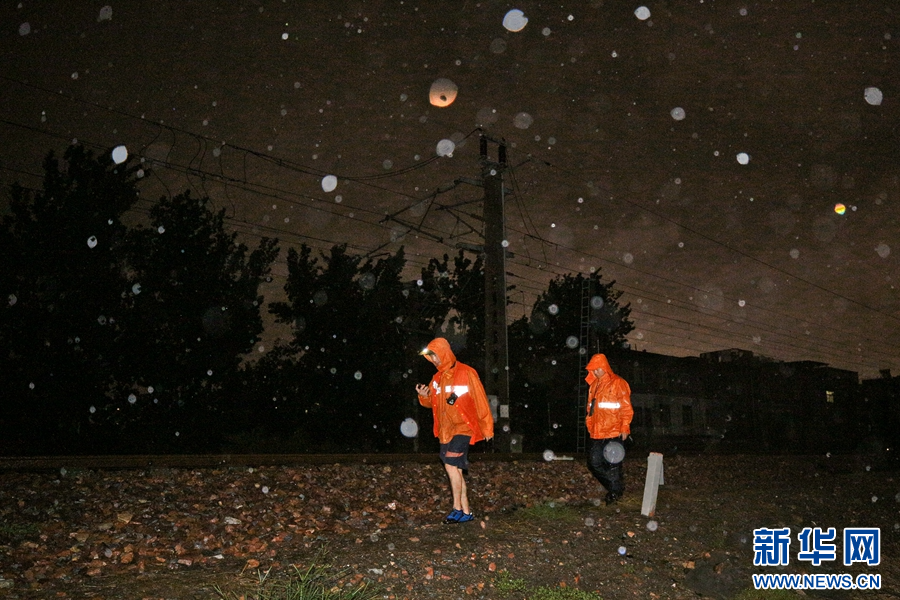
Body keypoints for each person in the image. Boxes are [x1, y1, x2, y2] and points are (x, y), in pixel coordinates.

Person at [416, 337, 494, 524]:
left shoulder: (467, 373)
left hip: (463, 428)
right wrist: (423, 397)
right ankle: (466, 512)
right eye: (431, 357)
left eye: (435, 356)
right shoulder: (436, 379)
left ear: (444, 353)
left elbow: (481, 400)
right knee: (456, 470)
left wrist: (487, 427)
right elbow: (434, 404)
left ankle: (456, 509)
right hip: (445, 431)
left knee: (451, 466)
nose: (434, 360)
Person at [584, 353, 634, 505]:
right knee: (594, 463)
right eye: (594, 369)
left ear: (605, 367)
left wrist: (625, 427)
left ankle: (614, 494)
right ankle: (616, 488)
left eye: (599, 368)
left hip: (614, 432)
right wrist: (590, 426)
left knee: (613, 465)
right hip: (598, 432)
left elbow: (626, 407)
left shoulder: (618, 383)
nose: (597, 372)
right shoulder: (593, 386)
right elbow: (590, 409)